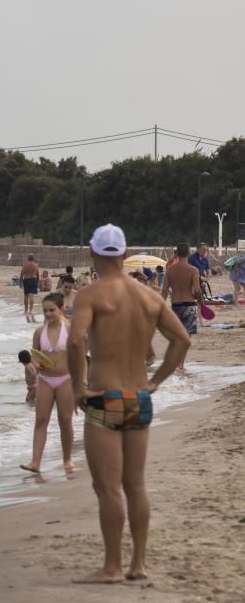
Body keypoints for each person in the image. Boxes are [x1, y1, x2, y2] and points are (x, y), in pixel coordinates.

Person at [67, 223, 190, 584]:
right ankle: (139, 563)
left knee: (107, 488)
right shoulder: (149, 296)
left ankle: (112, 567)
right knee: (136, 485)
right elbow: (181, 340)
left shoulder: (90, 295)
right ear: (122, 254)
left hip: (105, 398)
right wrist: (155, 381)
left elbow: (76, 343)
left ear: (93, 253)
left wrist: (78, 384)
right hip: (138, 398)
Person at [20, 292, 75, 474]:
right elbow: (35, 356)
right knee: (40, 420)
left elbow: (80, 356)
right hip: (45, 379)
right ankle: (35, 462)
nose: (48, 314)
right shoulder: (39, 332)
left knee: (65, 420)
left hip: (66, 378)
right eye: (45, 311)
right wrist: (33, 365)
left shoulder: (70, 328)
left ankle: (67, 459)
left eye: (52, 310)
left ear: (61, 309)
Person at [160, 242, 202, 373]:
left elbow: (165, 290)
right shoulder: (193, 270)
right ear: (188, 254)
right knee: (186, 337)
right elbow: (197, 290)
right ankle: (180, 365)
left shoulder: (170, 270)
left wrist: (161, 306)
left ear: (176, 254)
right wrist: (200, 301)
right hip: (189, 305)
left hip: (175, 306)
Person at [20, 255, 40, 322]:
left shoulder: (25, 265)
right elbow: (37, 274)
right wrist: (37, 282)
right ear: (33, 259)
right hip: (33, 280)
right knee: (31, 295)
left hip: (26, 280)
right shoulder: (36, 265)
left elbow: (21, 274)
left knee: (26, 295)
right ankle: (31, 311)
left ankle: (26, 310)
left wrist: (20, 283)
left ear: (28, 259)